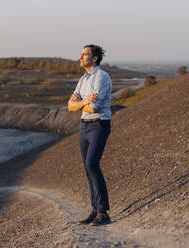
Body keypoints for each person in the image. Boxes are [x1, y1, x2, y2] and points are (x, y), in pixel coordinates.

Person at [68, 44, 112, 226]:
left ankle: (104, 213)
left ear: (94, 58)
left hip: (99, 124)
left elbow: (94, 108)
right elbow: (70, 106)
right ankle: (95, 210)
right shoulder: (83, 79)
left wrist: (81, 103)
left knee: (92, 164)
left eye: (85, 54)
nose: (81, 57)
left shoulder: (101, 77)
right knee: (88, 169)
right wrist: (84, 101)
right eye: (81, 54)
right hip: (84, 126)